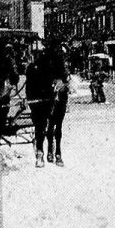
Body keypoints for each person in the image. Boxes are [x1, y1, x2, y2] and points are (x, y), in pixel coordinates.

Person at [28, 39, 70, 168]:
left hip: (56, 90)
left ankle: (56, 152)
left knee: (57, 126)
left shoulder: (58, 58)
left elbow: (64, 73)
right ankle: (40, 153)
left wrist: (63, 81)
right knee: (40, 125)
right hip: (44, 94)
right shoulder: (42, 61)